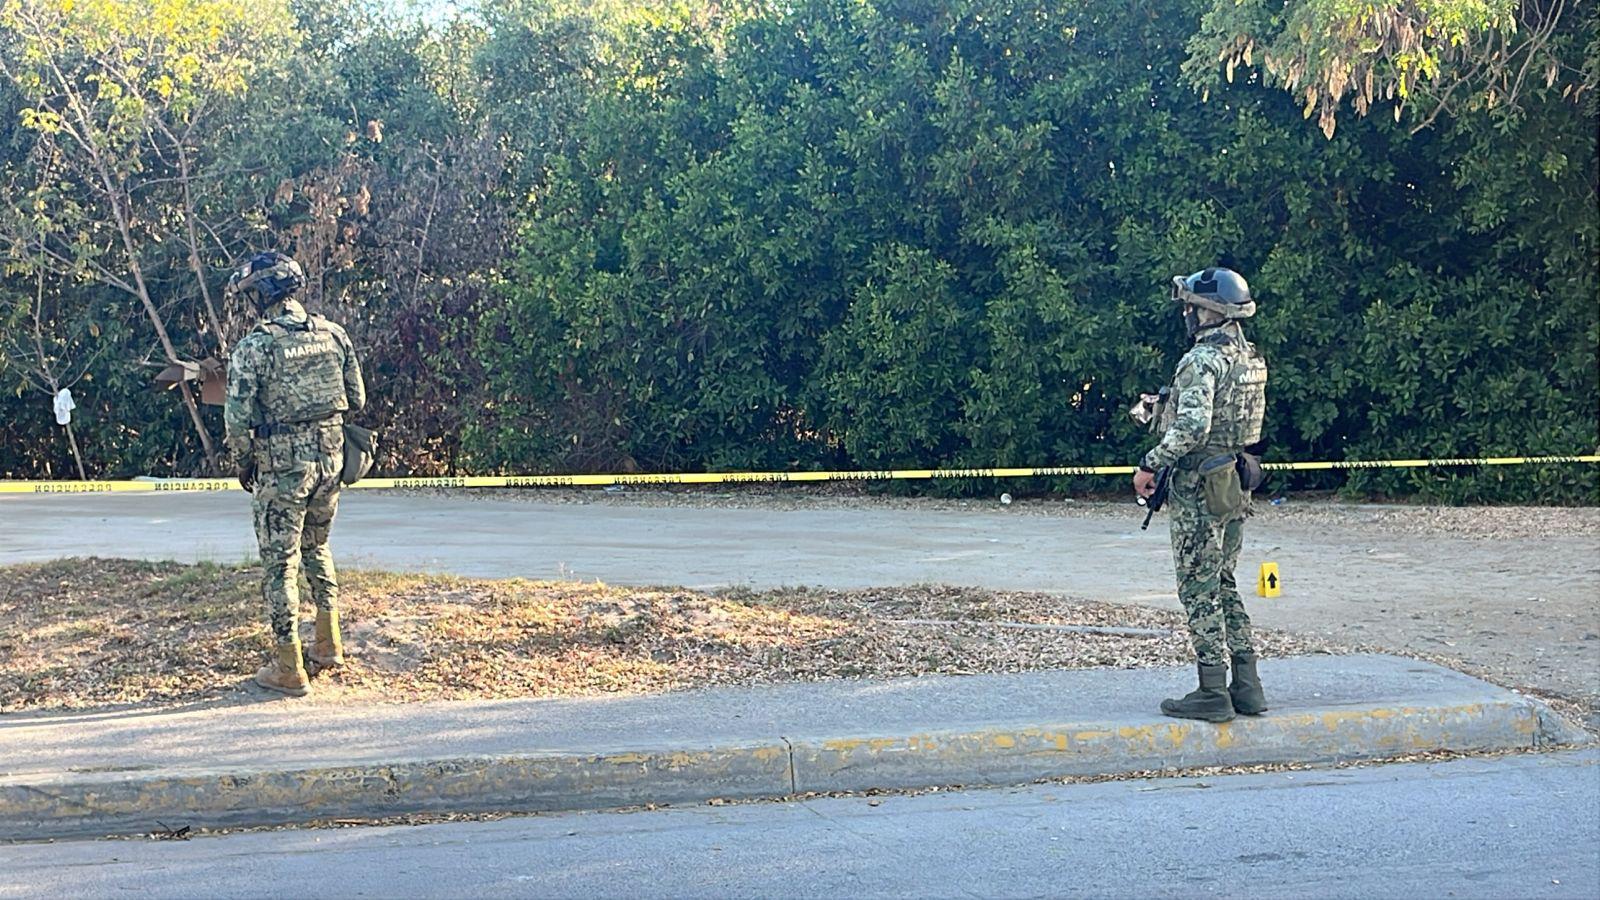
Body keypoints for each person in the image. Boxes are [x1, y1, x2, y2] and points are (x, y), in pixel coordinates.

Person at [223, 251, 365, 697]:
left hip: (282, 469)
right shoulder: (333, 334)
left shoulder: (256, 347)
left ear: (261, 296)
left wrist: (245, 462)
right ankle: (328, 645)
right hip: (331, 461)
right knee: (318, 548)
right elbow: (356, 398)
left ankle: (289, 667)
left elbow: (236, 421)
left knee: (280, 564)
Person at [1134, 268, 1268, 722]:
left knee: (1198, 585)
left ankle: (1213, 691)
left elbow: (1193, 427)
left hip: (1199, 483)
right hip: (1233, 477)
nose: (1187, 312)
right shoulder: (1249, 358)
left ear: (1209, 310)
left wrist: (1151, 462)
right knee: (1225, 579)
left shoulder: (1201, 360)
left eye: (1191, 304)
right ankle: (1247, 687)